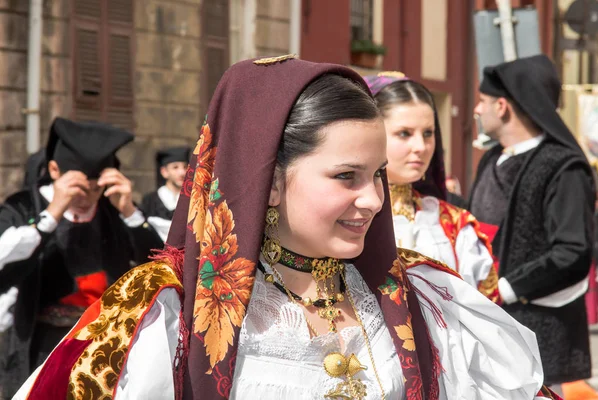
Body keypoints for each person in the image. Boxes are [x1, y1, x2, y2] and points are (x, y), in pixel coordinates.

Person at [16, 58, 558, 399]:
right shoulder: (166, 315)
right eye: (345, 176)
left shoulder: (424, 297)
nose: (372, 200)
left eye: (376, 175)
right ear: (267, 183)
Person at [0, 117, 163, 398]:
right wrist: (51, 215)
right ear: (54, 170)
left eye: (95, 188)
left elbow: (155, 263)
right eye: (79, 188)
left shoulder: (114, 210)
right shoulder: (24, 206)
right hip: (40, 346)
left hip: (102, 345)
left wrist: (130, 213)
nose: (87, 196)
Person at [469, 54, 595, 391]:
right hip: (489, 326)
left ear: (502, 106)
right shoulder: (492, 159)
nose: (477, 110)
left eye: (482, 101)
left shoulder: (564, 167)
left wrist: (505, 288)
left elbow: (572, 253)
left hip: (542, 333)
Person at [365, 73, 499, 303]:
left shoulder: (456, 226)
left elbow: (485, 311)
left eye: (428, 133)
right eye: (404, 134)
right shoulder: (344, 219)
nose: (421, 146)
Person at [141, 146, 191, 242]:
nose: (182, 172)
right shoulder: (150, 201)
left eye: (185, 167)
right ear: (164, 172)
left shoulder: (193, 200)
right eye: (175, 167)